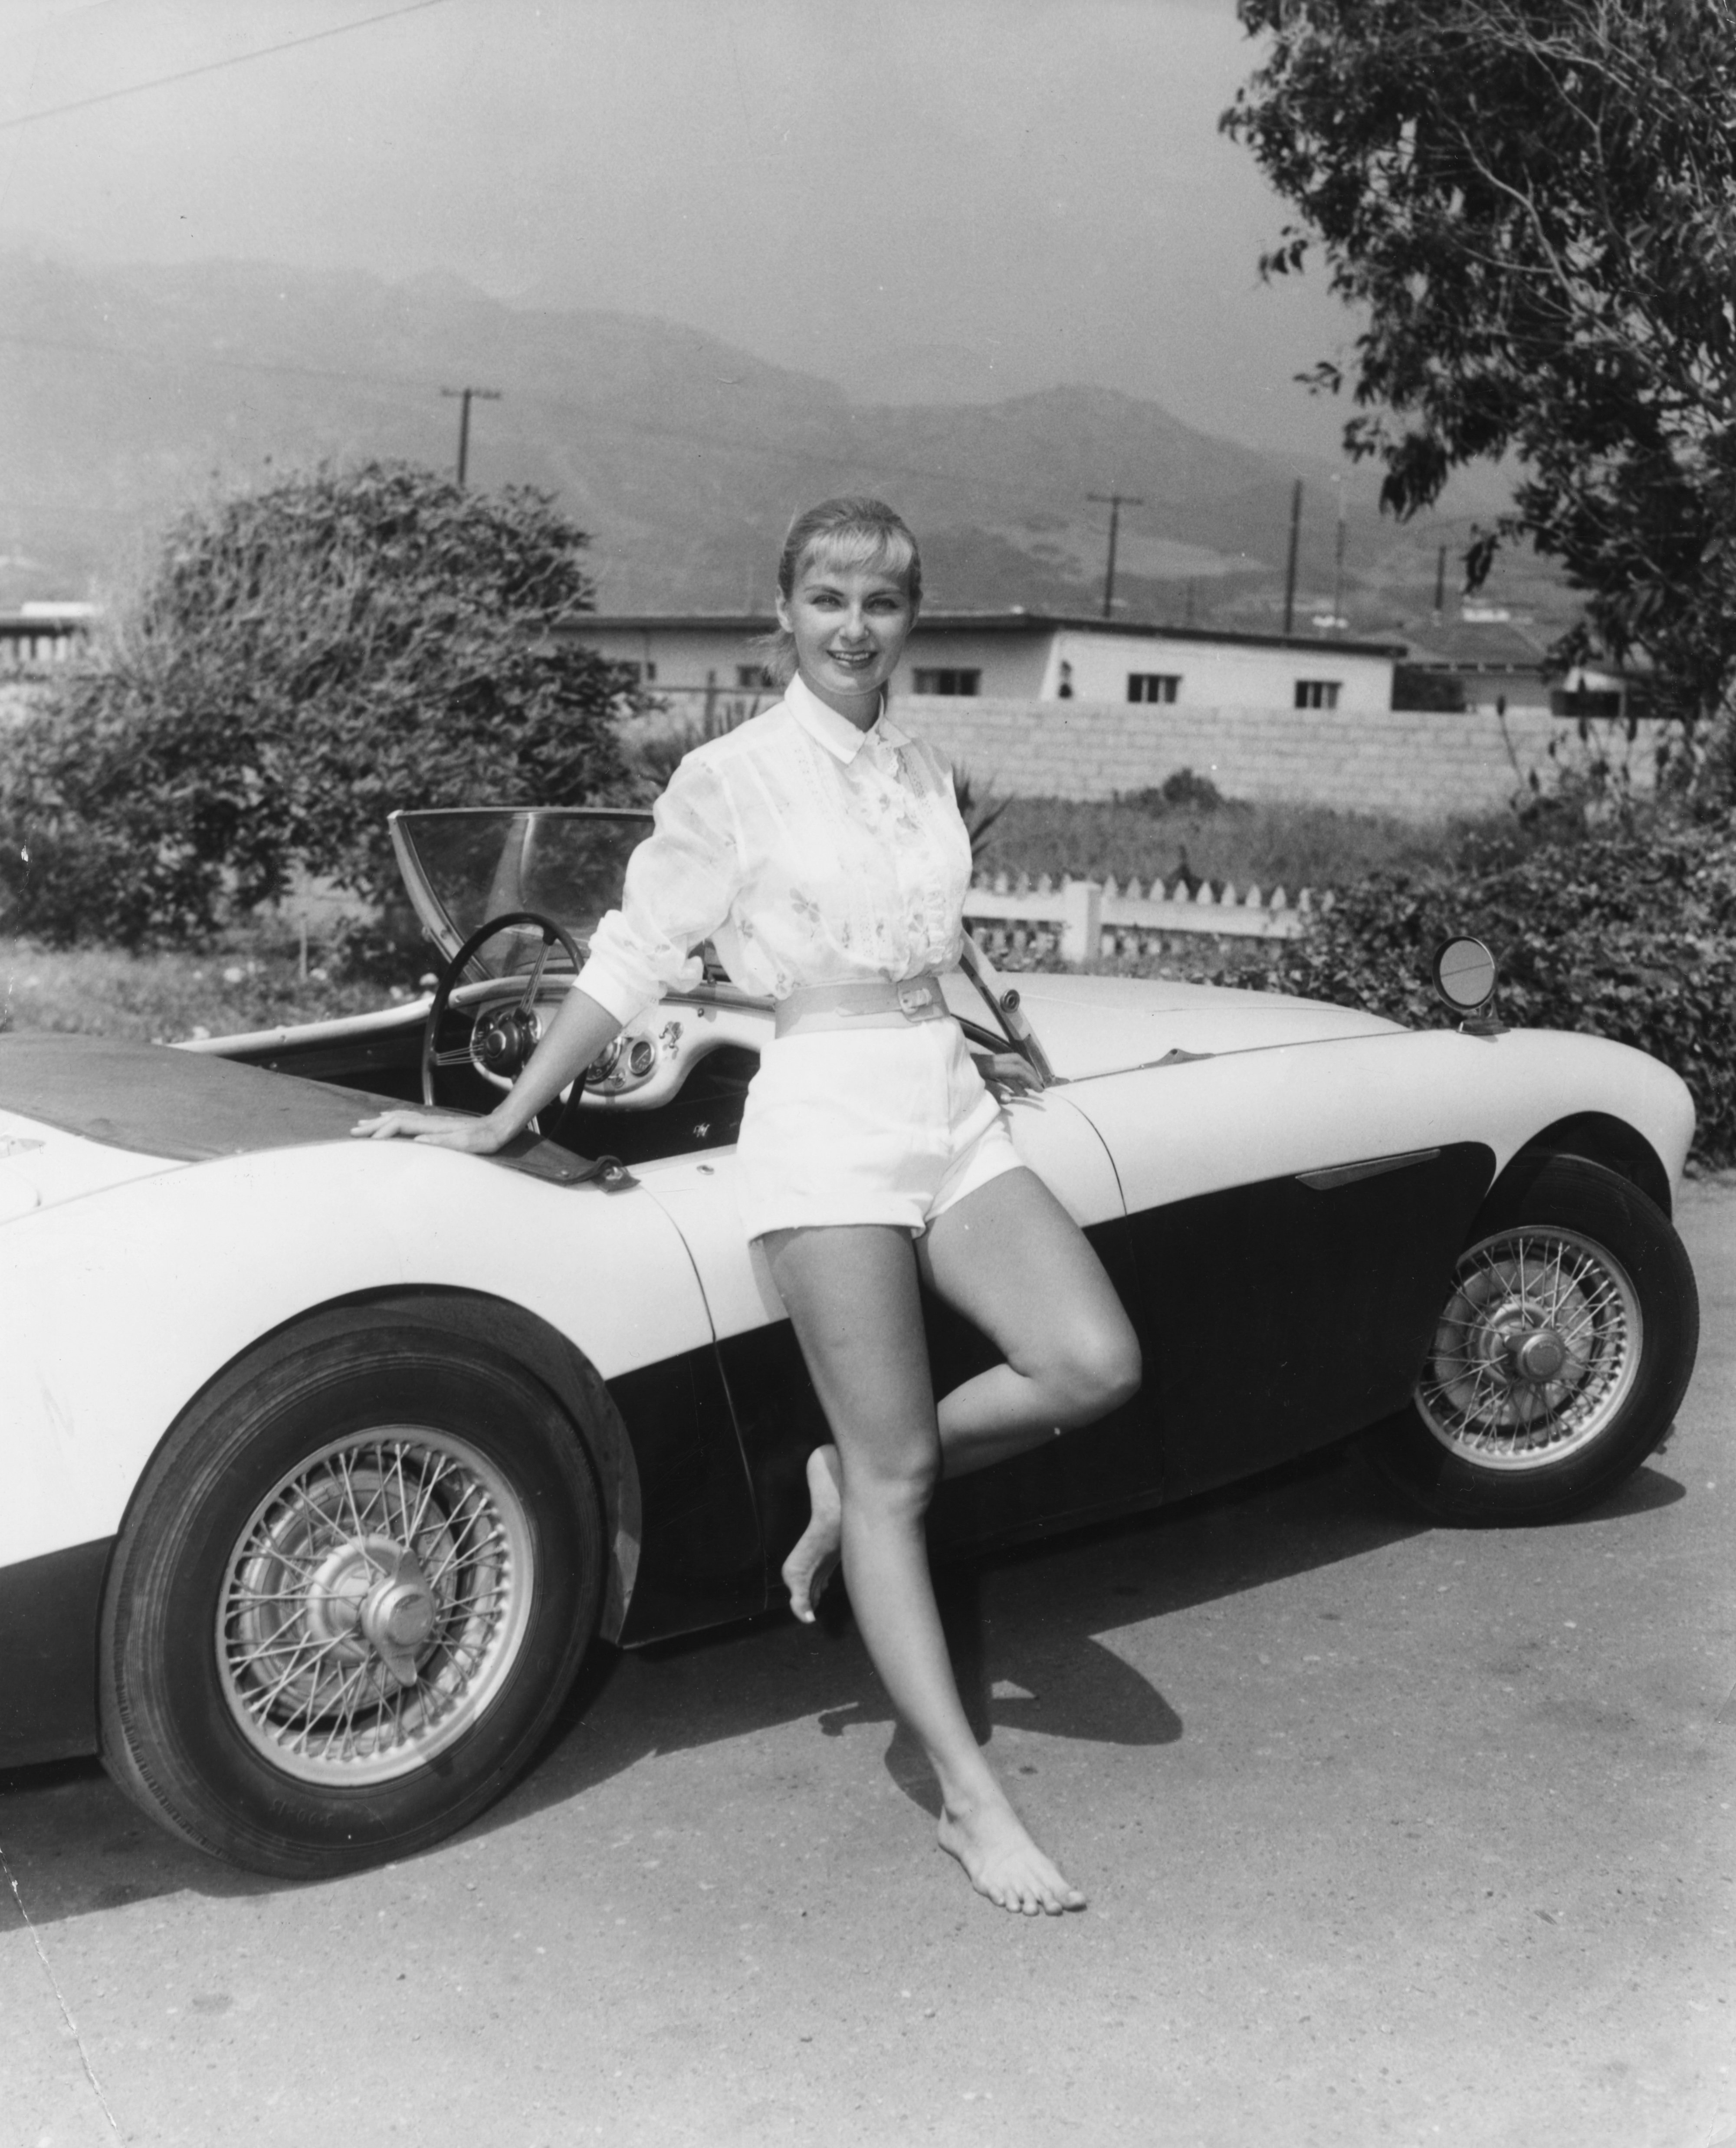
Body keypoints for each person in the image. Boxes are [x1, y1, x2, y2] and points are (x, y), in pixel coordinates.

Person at [354, 499, 1142, 1916]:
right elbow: (634, 957)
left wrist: (1000, 1030)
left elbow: (934, 936)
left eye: (885, 601)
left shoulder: (920, 764)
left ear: (914, 618)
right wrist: (507, 1113)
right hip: (826, 1123)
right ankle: (967, 1796)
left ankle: (854, 1479)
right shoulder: (727, 778)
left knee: (1091, 1363)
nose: (855, 625)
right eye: (829, 597)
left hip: (949, 1105)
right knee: (905, 1473)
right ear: (781, 611)